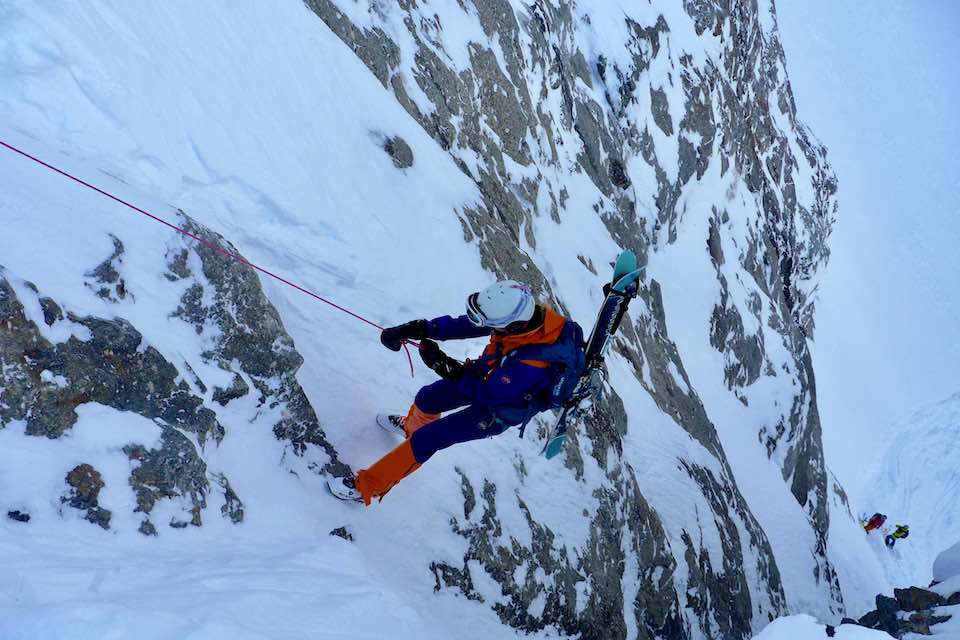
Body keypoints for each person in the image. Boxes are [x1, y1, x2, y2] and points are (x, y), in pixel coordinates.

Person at [327, 280, 584, 505]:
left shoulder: (533, 364)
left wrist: (447, 368)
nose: (487, 327)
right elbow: (469, 326)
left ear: (512, 326)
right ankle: (411, 429)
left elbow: (489, 395)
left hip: (499, 409)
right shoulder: (522, 319)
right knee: (427, 399)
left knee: (428, 439)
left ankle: (366, 488)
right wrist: (421, 328)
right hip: (488, 379)